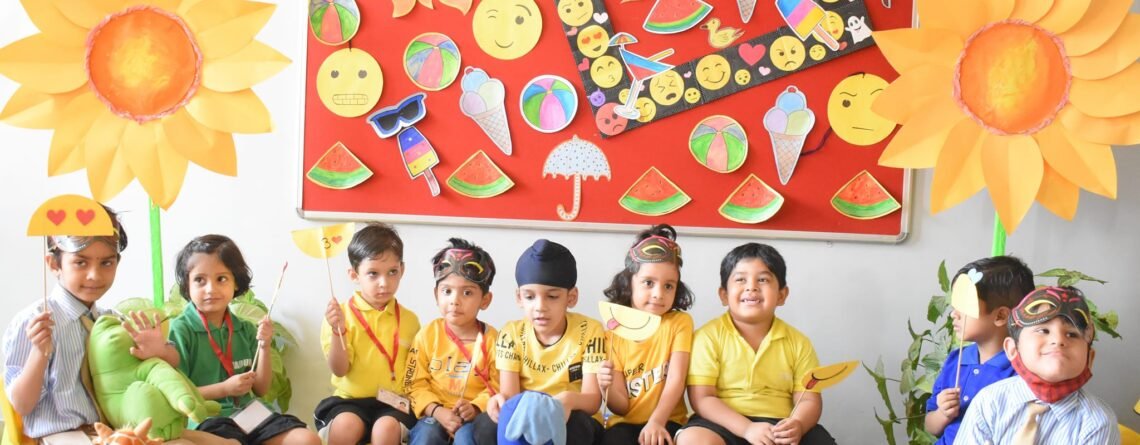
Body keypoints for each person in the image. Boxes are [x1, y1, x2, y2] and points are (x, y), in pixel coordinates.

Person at [676, 243, 835, 445]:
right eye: (740, 279)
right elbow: (702, 398)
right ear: (724, 295)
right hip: (721, 422)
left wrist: (798, 424)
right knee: (693, 440)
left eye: (763, 279)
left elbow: (808, 399)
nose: (751, 287)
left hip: (780, 424)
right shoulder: (707, 337)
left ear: (781, 295)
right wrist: (747, 428)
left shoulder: (799, 342)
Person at [168, 234, 320, 445]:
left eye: (221, 279)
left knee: (307, 440)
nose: (210, 289)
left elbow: (261, 389)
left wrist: (264, 346)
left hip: (250, 412)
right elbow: (177, 395)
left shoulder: (245, 329)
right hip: (209, 418)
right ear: (187, 285)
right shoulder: (181, 330)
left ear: (236, 283)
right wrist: (224, 389)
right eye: (200, 280)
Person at [472, 239, 606, 445]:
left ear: (571, 297)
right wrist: (499, 402)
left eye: (552, 297)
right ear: (519, 298)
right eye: (530, 297)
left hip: (571, 414)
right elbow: (510, 395)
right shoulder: (511, 333)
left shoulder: (590, 330)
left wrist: (566, 401)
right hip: (526, 413)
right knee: (486, 425)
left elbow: (593, 400)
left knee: (578, 426)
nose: (540, 307)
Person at [955, 286, 1119, 444]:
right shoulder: (988, 403)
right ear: (1012, 349)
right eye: (1043, 330)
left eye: (1072, 334)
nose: (1058, 340)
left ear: (1089, 357)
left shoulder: (1097, 422)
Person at [315, 222, 421, 445]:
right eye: (373, 273)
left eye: (392, 272)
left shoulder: (410, 320)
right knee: (345, 426)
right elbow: (339, 369)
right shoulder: (339, 315)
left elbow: (416, 372)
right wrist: (338, 331)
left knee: (385, 429)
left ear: (402, 270)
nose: (384, 283)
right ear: (354, 275)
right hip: (350, 401)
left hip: (395, 404)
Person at [596, 224, 694, 445]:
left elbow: (676, 380)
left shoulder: (679, 323)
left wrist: (657, 422)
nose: (658, 294)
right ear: (629, 283)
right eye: (648, 283)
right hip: (624, 425)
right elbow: (621, 407)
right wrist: (605, 386)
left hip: (667, 421)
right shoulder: (613, 333)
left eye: (668, 286)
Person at [925, 256, 1034, 444]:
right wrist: (943, 414)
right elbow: (931, 427)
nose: (954, 314)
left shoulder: (1022, 371)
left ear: (1000, 316)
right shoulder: (956, 361)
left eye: (964, 306)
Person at [405, 238, 499, 445]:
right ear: (436, 294)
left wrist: (475, 407)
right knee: (426, 436)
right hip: (433, 415)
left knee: (466, 438)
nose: (455, 300)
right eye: (447, 291)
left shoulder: (494, 340)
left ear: (485, 300)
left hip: (473, 419)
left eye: (467, 293)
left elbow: (498, 386)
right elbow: (413, 384)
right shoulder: (427, 335)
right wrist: (436, 411)